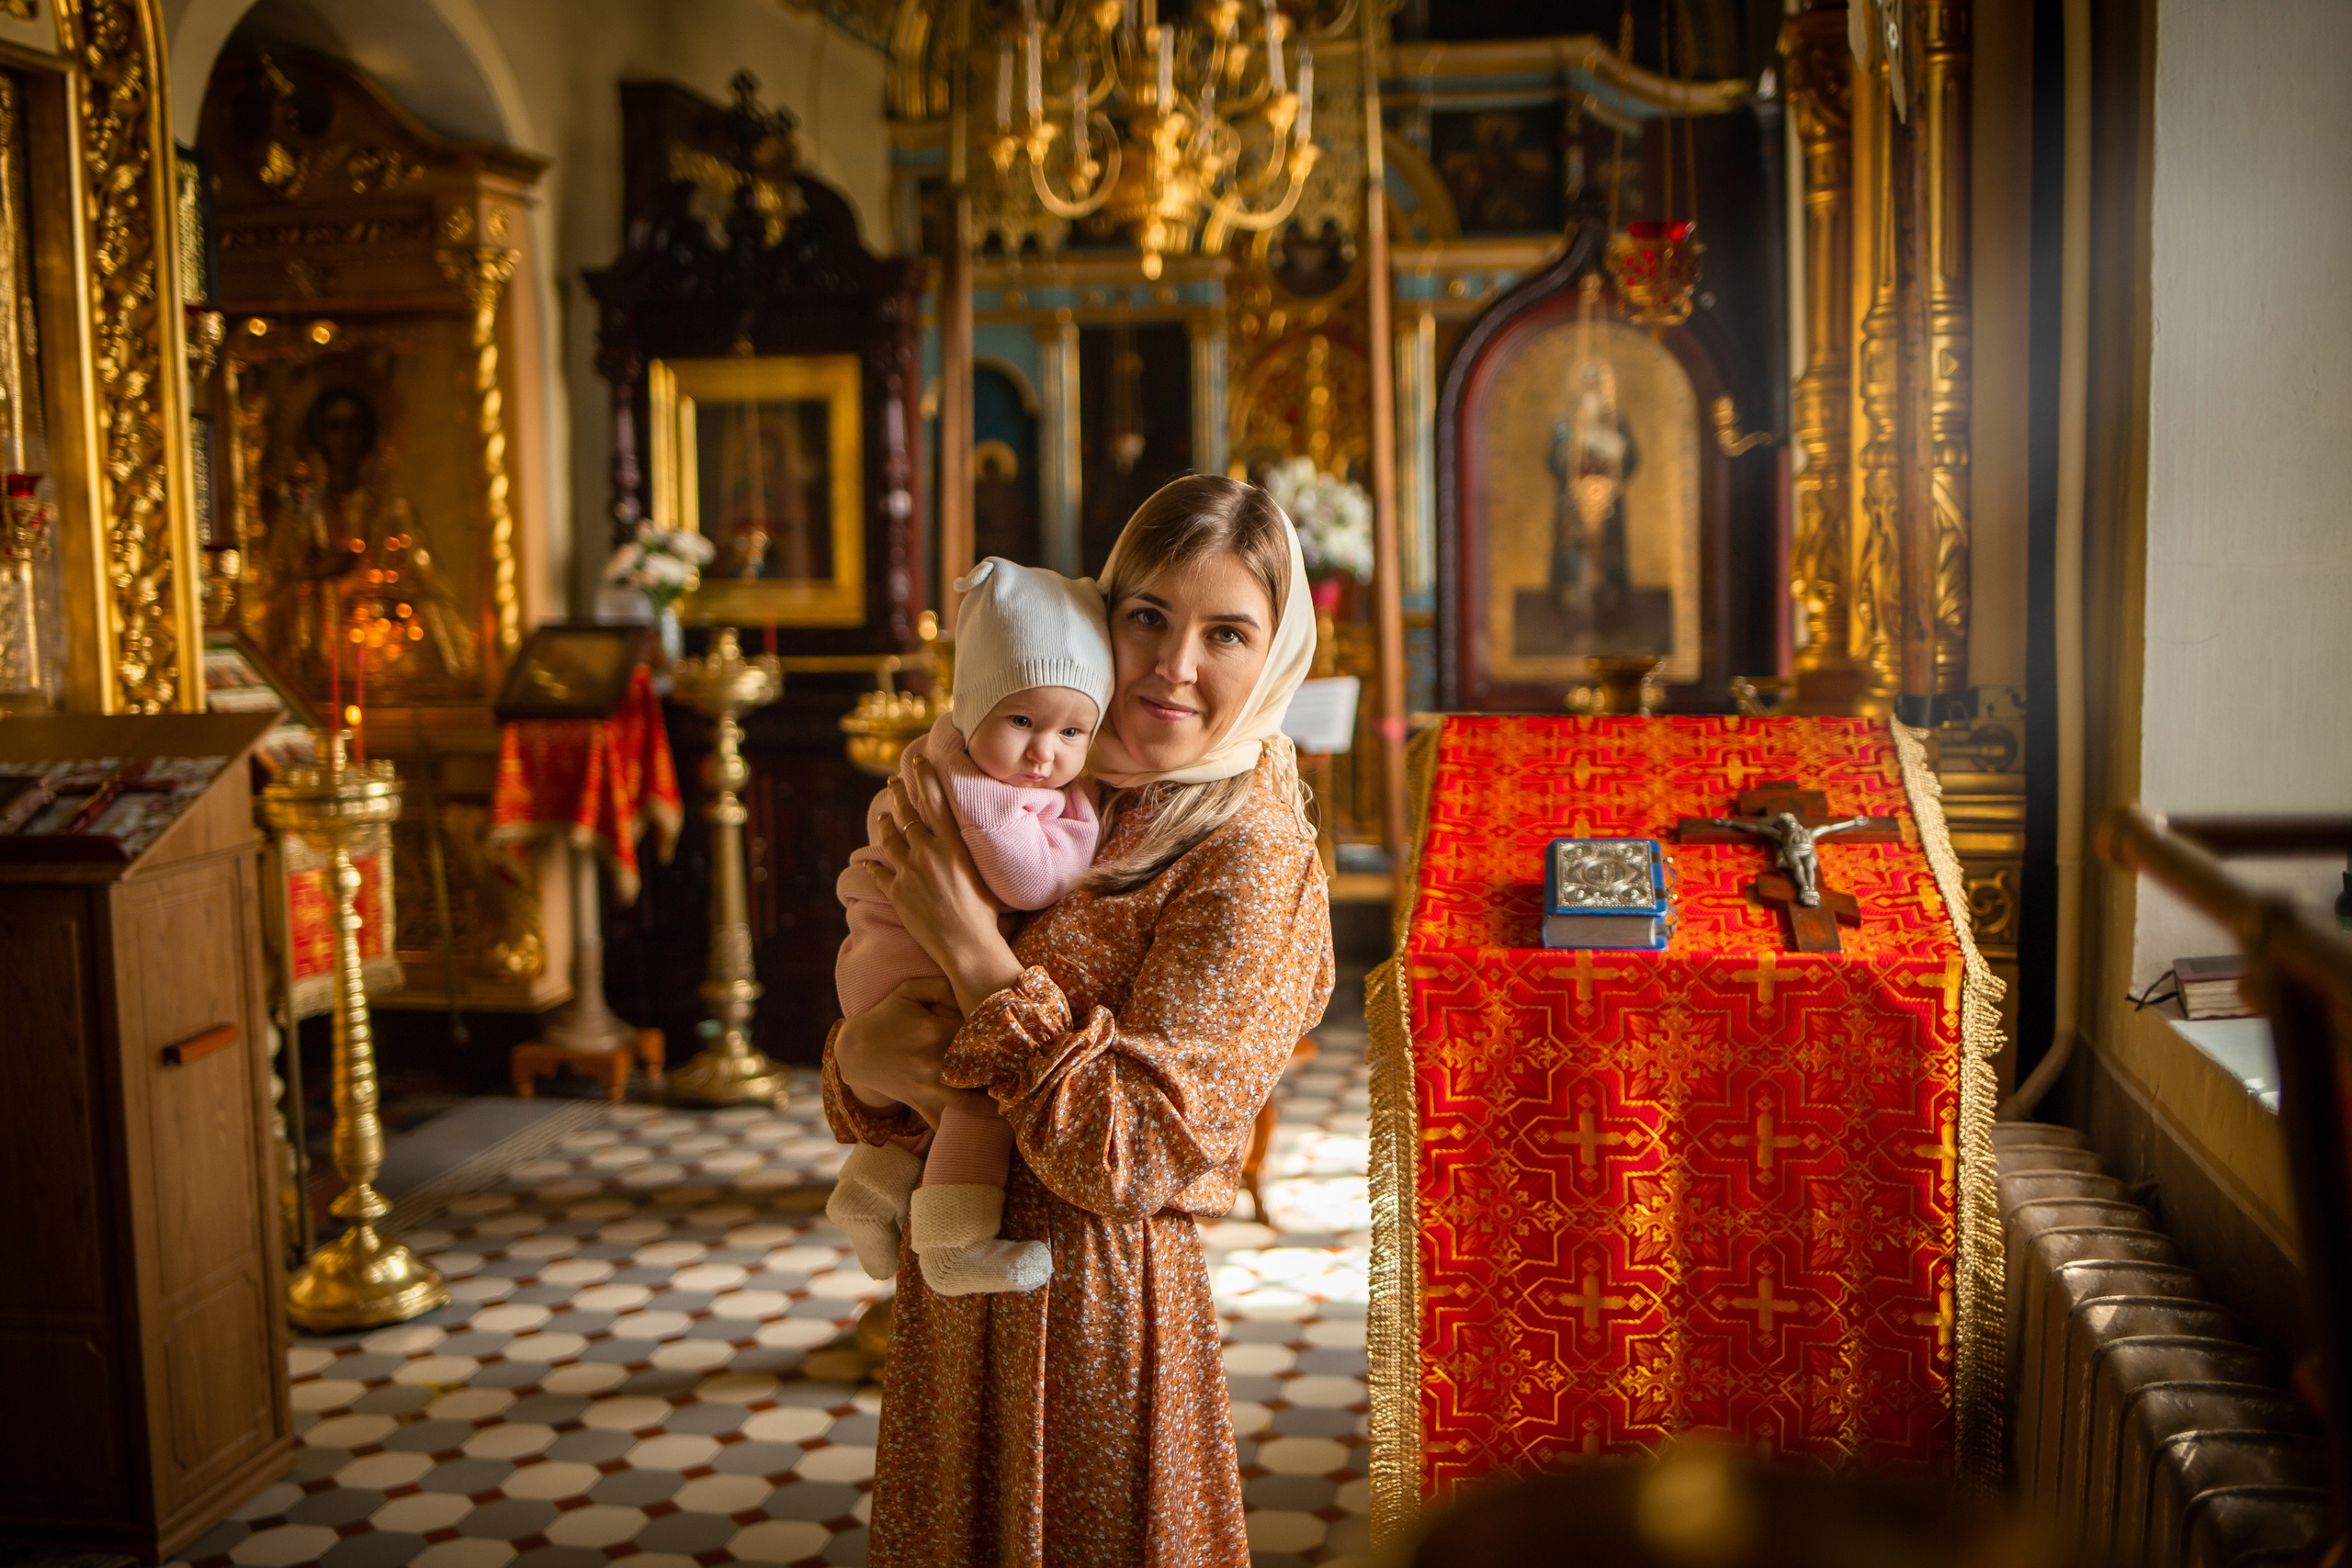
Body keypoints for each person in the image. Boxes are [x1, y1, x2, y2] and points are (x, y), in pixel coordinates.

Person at [824, 473, 1334, 1565]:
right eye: (1147, 615)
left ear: (1276, 651)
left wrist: (973, 952)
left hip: (1090, 1303)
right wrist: (857, 1059)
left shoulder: (1250, 854)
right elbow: (891, 1029)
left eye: (1226, 633)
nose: (1173, 665)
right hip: (951, 1284)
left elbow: (1130, 1158)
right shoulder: (1049, 774)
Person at [826, 556, 1115, 1296]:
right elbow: (1029, 879)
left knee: (943, 1076)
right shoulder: (976, 785)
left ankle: (870, 1188)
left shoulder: (970, 757)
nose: (1045, 752)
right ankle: (955, 1243)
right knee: (986, 1076)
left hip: (887, 950)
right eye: (1021, 720)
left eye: (1073, 730)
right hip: (903, 952)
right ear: (973, 706)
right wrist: (1082, 822)